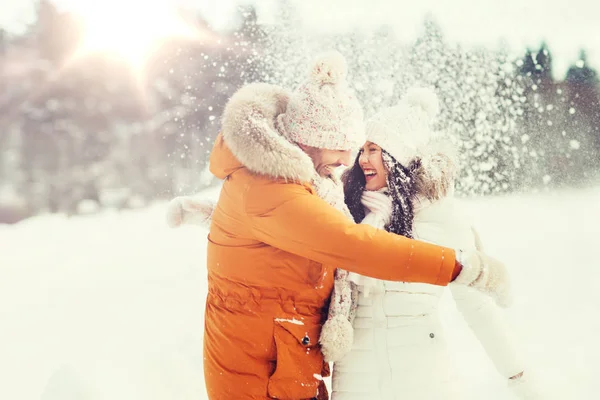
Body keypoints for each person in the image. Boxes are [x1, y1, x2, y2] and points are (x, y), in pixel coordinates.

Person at [167, 52, 511, 400]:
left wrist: (216, 218)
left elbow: (278, 235)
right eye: (343, 146)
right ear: (310, 138)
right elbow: (353, 246)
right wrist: (462, 267)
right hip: (261, 376)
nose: (351, 160)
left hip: (281, 363)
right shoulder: (274, 188)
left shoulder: (294, 182)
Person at [326, 87, 541, 399]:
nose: (362, 159)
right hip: (356, 380)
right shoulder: (347, 214)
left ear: (396, 157)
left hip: (423, 378)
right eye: (361, 150)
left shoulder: (439, 216)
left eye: (374, 149)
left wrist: (518, 374)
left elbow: (475, 304)